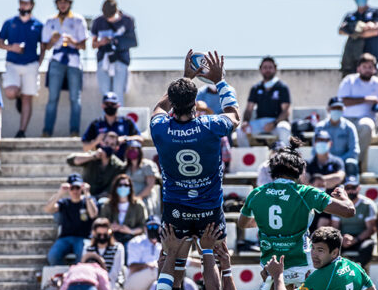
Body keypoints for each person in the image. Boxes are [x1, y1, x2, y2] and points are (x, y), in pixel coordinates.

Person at [238, 138, 355, 288]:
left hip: (272, 265)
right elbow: (349, 211)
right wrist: (344, 196)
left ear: (272, 170)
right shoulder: (306, 193)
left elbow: (242, 224)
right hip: (303, 263)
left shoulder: (256, 193)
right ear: (300, 171)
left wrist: (265, 220)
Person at [151, 50, 240, 238]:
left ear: (173, 103)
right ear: (195, 104)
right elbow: (234, 115)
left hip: (175, 206)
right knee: (216, 254)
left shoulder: (159, 128)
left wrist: (185, 79)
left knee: (171, 254)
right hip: (209, 206)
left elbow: (159, 107)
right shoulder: (210, 125)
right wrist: (220, 82)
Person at [0, 0, 45, 138]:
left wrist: (39, 62)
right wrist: (12, 48)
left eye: (26, 3)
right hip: (13, 63)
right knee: (11, 92)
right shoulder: (10, 22)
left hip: (31, 64)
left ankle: (22, 130)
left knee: (27, 97)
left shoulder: (38, 25)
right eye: (21, 2)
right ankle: (18, 95)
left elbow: (43, 46)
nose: (24, 5)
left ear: (32, 5)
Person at [41, 0, 88, 137]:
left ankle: (74, 131)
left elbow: (83, 45)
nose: (63, 5)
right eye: (60, 2)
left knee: (75, 98)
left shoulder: (78, 20)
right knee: (52, 97)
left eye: (65, 2)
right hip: (57, 60)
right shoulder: (50, 21)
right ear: (56, 4)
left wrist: (73, 42)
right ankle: (47, 131)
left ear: (69, 3)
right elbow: (45, 46)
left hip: (74, 61)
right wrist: (52, 41)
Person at [337, 54, 378, 168]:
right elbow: (342, 102)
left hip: (366, 119)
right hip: (345, 119)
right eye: (364, 67)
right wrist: (366, 99)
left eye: (370, 67)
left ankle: (356, 163)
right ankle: (336, 164)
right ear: (358, 68)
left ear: (375, 69)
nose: (367, 70)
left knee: (366, 126)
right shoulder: (349, 80)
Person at [91, 0, 138, 106]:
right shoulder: (98, 21)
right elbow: (93, 44)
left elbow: (133, 42)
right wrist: (101, 42)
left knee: (118, 92)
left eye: (111, 16)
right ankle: (107, 116)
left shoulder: (127, 20)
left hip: (120, 60)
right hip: (103, 60)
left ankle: (119, 115)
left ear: (117, 11)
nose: (109, 19)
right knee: (105, 94)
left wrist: (114, 40)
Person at [237, 56, 292, 147]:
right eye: (265, 67)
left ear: (275, 69)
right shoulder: (256, 88)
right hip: (260, 122)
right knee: (240, 130)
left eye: (270, 67)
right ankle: (246, 154)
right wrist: (245, 121)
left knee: (284, 128)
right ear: (260, 69)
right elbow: (249, 109)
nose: (267, 70)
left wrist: (274, 123)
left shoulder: (282, 87)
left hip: (277, 122)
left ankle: (285, 154)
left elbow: (286, 111)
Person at [44, 173, 97, 265]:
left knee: (82, 256)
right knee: (53, 256)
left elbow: (93, 214)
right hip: (65, 238)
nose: (75, 191)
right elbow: (48, 209)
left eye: (77, 188)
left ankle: (78, 273)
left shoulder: (88, 200)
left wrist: (87, 193)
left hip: (83, 238)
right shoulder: (64, 203)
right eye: (72, 188)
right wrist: (60, 193)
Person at [339, 0, 378, 76]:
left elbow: (375, 31)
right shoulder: (350, 16)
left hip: (370, 59)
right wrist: (365, 28)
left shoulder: (375, 12)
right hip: (353, 60)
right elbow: (341, 30)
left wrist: (354, 32)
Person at [81, 92, 142, 158]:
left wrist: (125, 138)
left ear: (118, 105)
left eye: (112, 104)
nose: (109, 106)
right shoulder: (96, 124)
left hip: (123, 160)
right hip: (102, 161)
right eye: (107, 104)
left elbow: (140, 138)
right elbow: (85, 148)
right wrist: (96, 141)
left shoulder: (127, 122)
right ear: (102, 105)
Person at [314, 97, 361, 177]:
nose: (336, 110)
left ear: (343, 109)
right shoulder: (320, 127)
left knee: (351, 162)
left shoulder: (349, 127)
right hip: (325, 162)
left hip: (344, 162)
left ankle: (351, 184)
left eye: (339, 108)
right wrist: (327, 160)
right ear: (328, 109)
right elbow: (314, 149)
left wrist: (338, 161)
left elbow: (354, 151)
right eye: (334, 108)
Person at [336, 175, 377, 266]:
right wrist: (342, 238)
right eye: (347, 188)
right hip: (342, 238)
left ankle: (357, 269)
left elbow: (371, 229)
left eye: (353, 188)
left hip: (361, 238)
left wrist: (356, 239)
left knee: (368, 245)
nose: (350, 191)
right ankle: (335, 270)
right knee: (331, 245)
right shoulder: (337, 204)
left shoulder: (367, 204)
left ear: (359, 188)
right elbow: (334, 227)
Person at [99, 174, 147, 245]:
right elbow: (100, 223)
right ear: (115, 187)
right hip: (112, 238)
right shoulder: (107, 205)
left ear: (130, 188)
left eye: (126, 185)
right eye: (120, 185)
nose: (123, 187)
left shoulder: (138, 205)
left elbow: (143, 226)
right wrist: (110, 227)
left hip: (132, 239)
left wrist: (130, 231)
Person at [86, 217, 125, 290]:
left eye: (105, 234)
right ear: (94, 233)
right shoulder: (87, 248)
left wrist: (103, 282)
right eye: (99, 234)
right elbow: (86, 268)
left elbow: (115, 272)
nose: (102, 237)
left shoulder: (118, 248)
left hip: (113, 283)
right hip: (93, 282)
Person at [125, 217, 163, 290]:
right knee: (156, 271)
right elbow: (132, 267)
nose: (152, 229)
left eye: (155, 226)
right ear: (145, 228)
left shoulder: (162, 244)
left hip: (154, 283)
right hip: (134, 282)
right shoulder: (136, 242)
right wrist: (147, 265)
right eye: (150, 226)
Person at [125, 139, 160, 215]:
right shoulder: (126, 167)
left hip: (144, 197)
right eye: (129, 149)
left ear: (139, 150)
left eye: (133, 148)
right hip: (127, 197)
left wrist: (138, 197)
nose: (131, 151)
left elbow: (150, 185)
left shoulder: (147, 165)